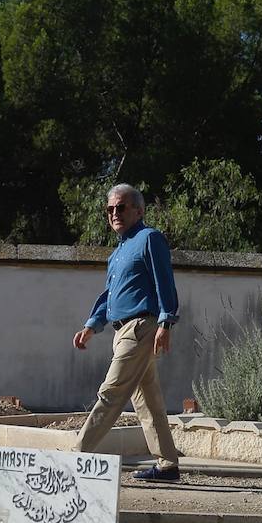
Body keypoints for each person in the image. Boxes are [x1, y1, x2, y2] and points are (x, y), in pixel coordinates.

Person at [72, 183, 181, 481]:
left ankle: (74, 458)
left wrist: (165, 323)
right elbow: (110, 294)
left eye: (121, 207)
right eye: (110, 209)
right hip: (122, 331)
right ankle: (168, 464)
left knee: (111, 392)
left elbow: (165, 283)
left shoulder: (150, 239)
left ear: (139, 210)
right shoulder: (117, 253)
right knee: (147, 399)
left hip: (141, 327)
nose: (114, 214)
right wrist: (91, 326)